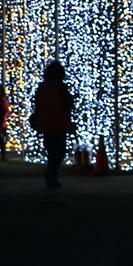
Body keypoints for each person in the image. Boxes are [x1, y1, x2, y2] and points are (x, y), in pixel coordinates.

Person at [30, 60, 76, 189]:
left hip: (46, 124)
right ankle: (52, 174)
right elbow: (67, 103)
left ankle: (52, 175)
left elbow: (39, 105)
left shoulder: (42, 88)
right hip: (58, 124)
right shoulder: (60, 88)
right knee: (59, 151)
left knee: (52, 151)